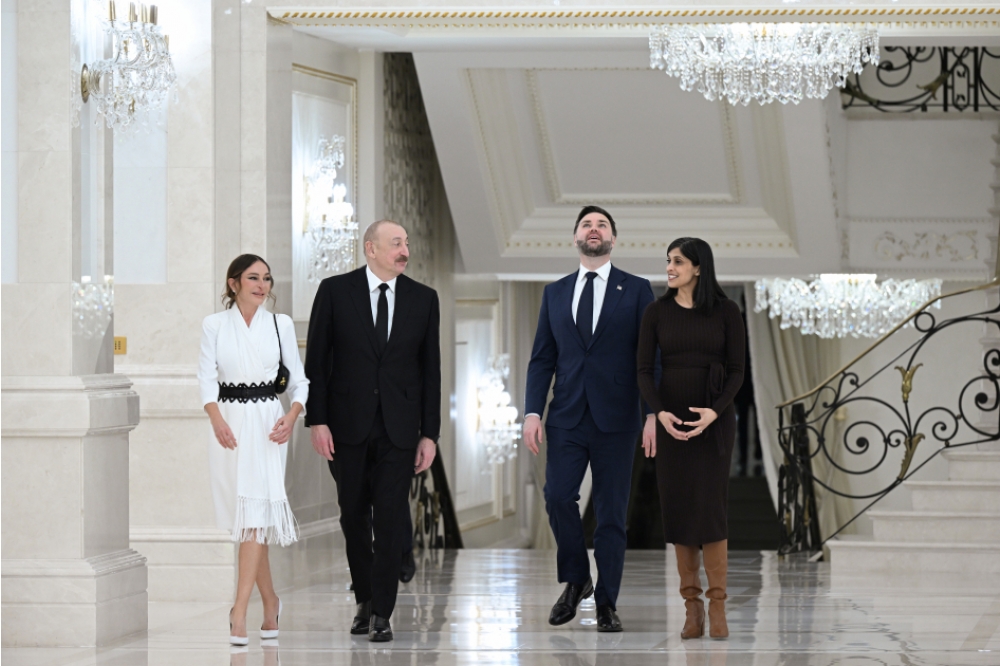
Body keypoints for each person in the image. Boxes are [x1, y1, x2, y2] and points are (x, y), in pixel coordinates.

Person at [305, 219, 440, 642]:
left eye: (406, 243)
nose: (405, 251)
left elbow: (431, 370)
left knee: (391, 515)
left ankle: (382, 612)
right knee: (353, 515)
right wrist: (317, 420)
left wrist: (430, 434)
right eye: (396, 243)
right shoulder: (334, 291)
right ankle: (364, 599)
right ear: (371, 249)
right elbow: (317, 362)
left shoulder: (424, 298)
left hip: (400, 430)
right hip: (346, 426)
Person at [523, 205, 656, 633]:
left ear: (613, 239)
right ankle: (577, 577)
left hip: (618, 419)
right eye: (586, 224)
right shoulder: (555, 293)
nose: (594, 229)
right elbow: (542, 359)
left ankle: (606, 603)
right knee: (558, 497)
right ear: (575, 238)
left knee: (611, 515)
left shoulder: (636, 290)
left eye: (601, 225)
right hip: (565, 416)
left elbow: (649, 359)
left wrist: (652, 413)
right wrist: (532, 411)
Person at [636, 237, 745, 640]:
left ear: (699, 267)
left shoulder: (727, 312)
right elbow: (643, 370)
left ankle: (718, 606)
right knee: (679, 510)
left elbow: (737, 370)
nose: (670, 267)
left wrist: (715, 411)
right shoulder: (656, 312)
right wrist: (659, 412)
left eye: (678, 261)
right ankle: (692, 609)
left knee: (711, 510)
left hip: (715, 422)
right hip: (672, 423)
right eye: (668, 260)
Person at [198, 254, 309, 645]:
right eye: (253, 278)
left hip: (268, 427)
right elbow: (206, 379)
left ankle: (239, 611)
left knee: (255, 518)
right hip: (228, 425)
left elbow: (300, 382)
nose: (262, 285)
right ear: (234, 284)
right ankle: (270, 601)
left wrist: (292, 416)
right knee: (246, 517)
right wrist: (216, 420)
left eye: (267, 278)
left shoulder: (281, 324)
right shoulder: (214, 324)